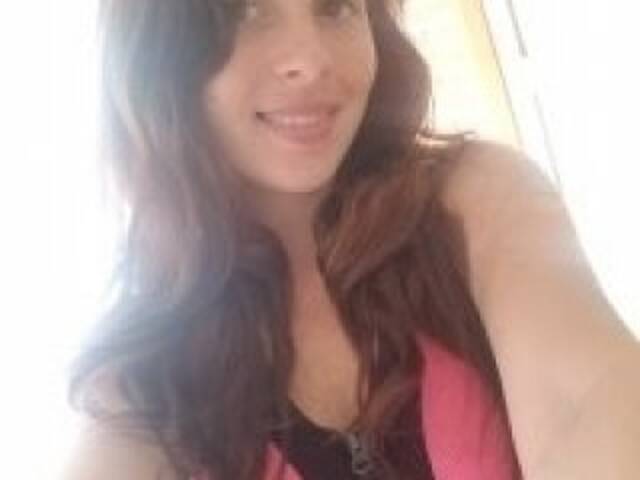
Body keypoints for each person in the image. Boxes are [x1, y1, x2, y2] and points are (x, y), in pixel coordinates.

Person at [63, 0, 640, 479]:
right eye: (246, 12)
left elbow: (584, 402)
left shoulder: (475, 198)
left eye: (336, 7)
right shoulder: (145, 374)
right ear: (159, 56)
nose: (311, 61)